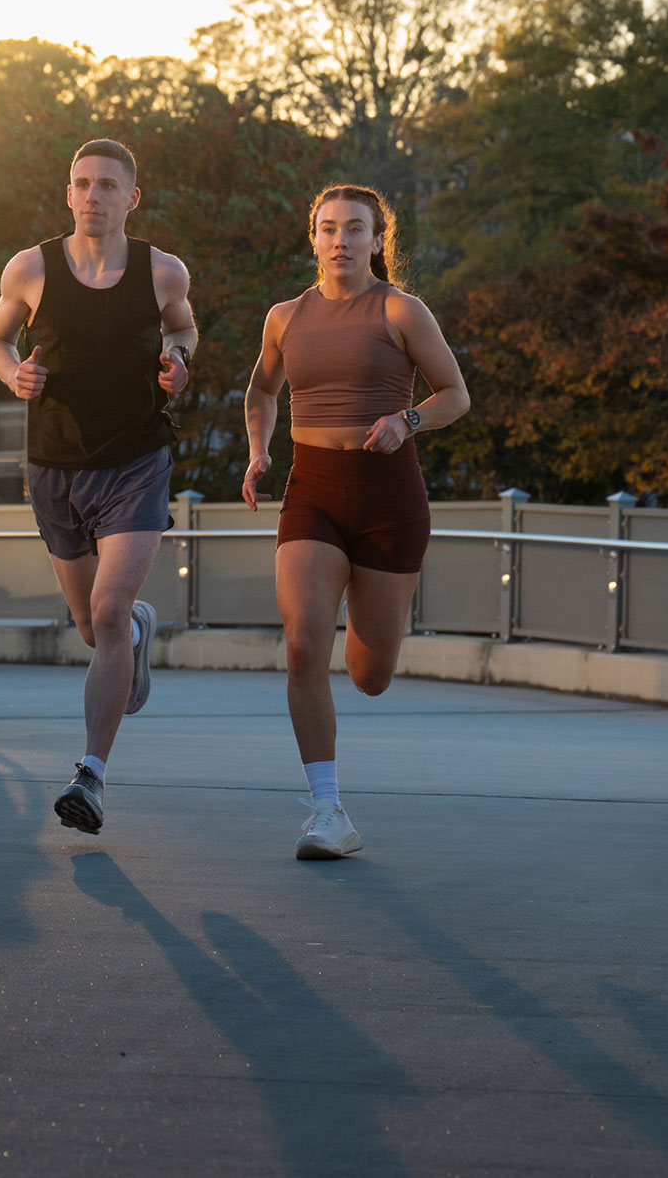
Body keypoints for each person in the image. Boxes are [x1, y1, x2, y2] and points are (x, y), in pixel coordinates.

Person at [242, 184, 470, 860]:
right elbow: (261, 389)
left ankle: (372, 626)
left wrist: (408, 419)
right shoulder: (285, 317)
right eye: (328, 228)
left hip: (388, 501)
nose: (340, 239)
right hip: (311, 494)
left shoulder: (400, 309)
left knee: (371, 675)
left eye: (355, 228)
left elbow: (455, 394)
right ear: (313, 238)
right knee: (304, 646)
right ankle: (328, 811)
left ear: (376, 240)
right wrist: (258, 450)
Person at [0, 138, 196, 836]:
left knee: (105, 613)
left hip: (137, 460)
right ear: (68, 193)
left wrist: (178, 362)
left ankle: (91, 776)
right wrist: (14, 373)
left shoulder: (161, 271)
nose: (93, 195)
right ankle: (133, 631)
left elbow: (184, 329)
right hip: (54, 465)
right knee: (91, 625)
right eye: (82, 183)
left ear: (132, 197)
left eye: (108, 184)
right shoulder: (30, 268)